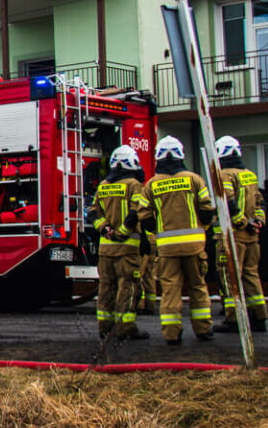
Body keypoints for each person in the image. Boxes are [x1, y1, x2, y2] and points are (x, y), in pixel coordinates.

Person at [139, 135, 216, 346]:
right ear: (181, 154)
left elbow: (143, 217)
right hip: (194, 246)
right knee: (198, 287)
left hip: (166, 248)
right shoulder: (194, 179)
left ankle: (172, 334)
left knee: (170, 290)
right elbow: (207, 210)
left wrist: (158, 232)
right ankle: (203, 330)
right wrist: (203, 230)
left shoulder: (151, 185)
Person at [86, 145, 151, 341]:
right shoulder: (134, 185)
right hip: (127, 248)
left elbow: (92, 213)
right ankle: (125, 327)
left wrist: (105, 229)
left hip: (105, 249)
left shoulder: (104, 185)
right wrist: (122, 233)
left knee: (106, 287)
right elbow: (135, 213)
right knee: (128, 287)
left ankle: (105, 327)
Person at [212, 135, 268, 333]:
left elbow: (228, 200)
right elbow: (261, 202)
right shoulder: (249, 175)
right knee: (251, 275)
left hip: (233, 236)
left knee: (230, 276)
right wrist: (258, 222)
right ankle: (259, 317)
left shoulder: (224, 174)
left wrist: (241, 223)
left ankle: (233, 319)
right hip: (252, 236)